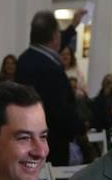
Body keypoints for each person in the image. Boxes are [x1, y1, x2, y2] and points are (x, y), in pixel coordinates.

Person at [16, 12, 79, 167]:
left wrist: (73, 26)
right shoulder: (49, 68)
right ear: (54, 37)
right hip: (52, 143)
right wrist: (74, 130)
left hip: (29, 137)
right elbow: (59, 110)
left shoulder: (25, 58)